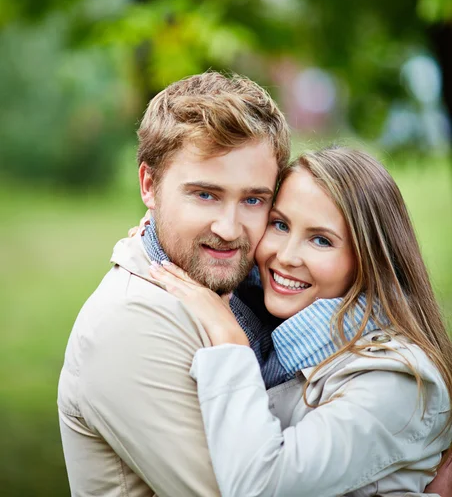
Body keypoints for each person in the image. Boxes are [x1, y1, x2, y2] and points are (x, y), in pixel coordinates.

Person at [148, 146, 452, 497]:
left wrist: (230, 342)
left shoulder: (398, 381)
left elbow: (262, 486)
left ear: (369, 261)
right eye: (280, 224)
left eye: (321, 240)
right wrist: (159, 233)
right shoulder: (281, 327)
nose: (286, 256)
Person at [58, 71, 292, 497]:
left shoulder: (248, 291)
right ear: (150, 185)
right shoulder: (130, 326)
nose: (228, 228)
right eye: (205, 195)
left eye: (253, 199)